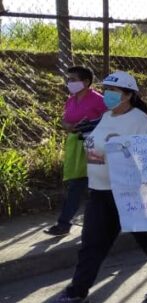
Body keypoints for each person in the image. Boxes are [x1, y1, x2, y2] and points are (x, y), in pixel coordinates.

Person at [47, 71, 147, 303]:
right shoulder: (106, 117)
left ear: (128, 95)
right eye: (106, 89)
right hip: (100, 191)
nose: (107, 95)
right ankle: (77, 292)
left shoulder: (139, 120)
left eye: (114, 91)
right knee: (91, 244)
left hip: (129, 191)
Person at [44, 66, 107, 236]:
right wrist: (69, 126)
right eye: (68, 79)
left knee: (91, 186)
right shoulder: (71, 100)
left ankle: (66, 223)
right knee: (77, 185)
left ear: (86, 82)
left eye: (73, 79)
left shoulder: (99, 100)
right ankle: (65, 224)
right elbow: (65, 120)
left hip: (94, 146)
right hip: (76, 147)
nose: (69, 83)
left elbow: (109, 121)